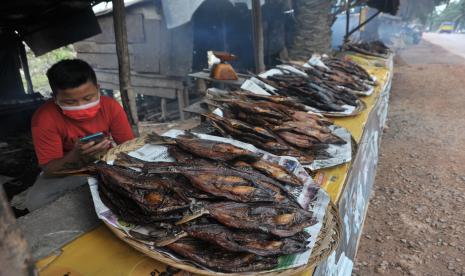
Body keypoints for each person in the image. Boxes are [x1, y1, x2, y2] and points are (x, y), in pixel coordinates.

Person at [25, 59, 134, 210]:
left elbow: (129, 146)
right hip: (69, 171)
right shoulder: (44, 118)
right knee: (35, 203)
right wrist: (76, 155)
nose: (81, 106)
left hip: (107, 161)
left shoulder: (111, 107)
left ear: (98, 89)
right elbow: (50, 169)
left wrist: (108, 160)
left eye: (88, 98)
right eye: (70, 102)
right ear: (55, 98)